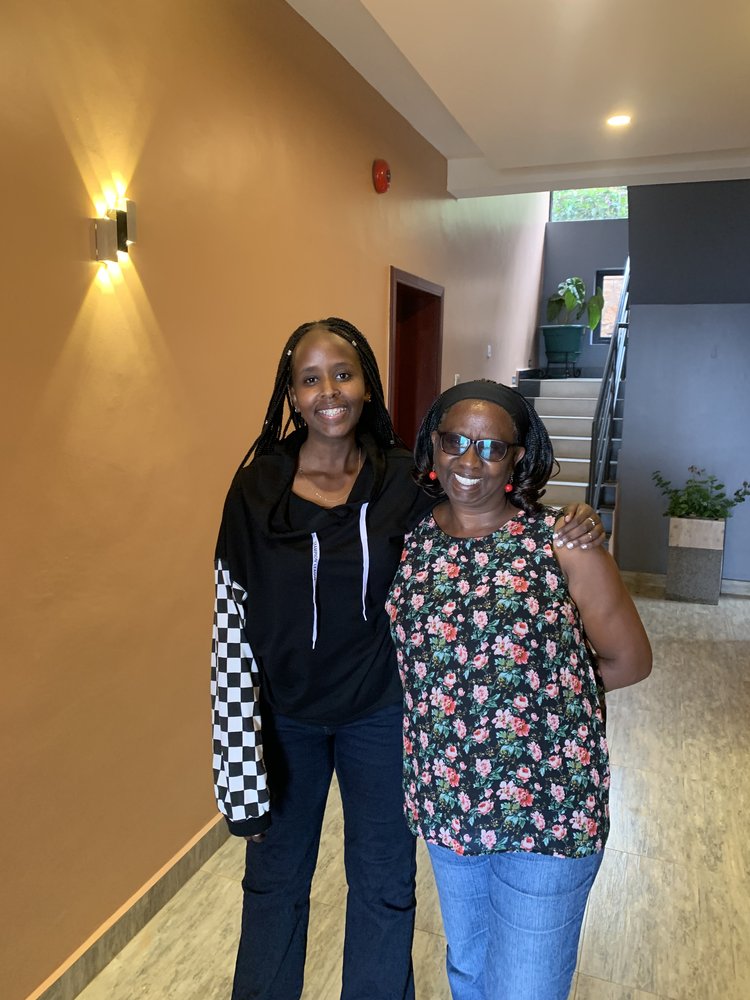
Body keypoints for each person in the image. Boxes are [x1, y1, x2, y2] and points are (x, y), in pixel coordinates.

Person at [211, 322, 605, 1000]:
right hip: (286, 719)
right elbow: (229, 617)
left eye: (342, 372)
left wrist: (575, 520)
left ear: (367, 384)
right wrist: (234, 750)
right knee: (273, 882)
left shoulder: (404, 478)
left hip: (380, 715)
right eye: (309, 378)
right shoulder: (257, 487)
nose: (328, 390)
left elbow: (482, 503)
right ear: (292, 394)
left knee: (384, 884)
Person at [385, 379, 652, 1000]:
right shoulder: (413, 539)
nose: (469, 462)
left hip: (547, 807)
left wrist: (538, 700)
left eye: (491, 448)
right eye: (455, 441)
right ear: (432, 445)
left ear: (518, 458)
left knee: (525, 988)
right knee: (471, 972)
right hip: (449, 804)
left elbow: (629, 660)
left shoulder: (561, 542)